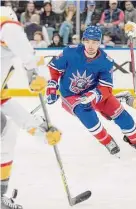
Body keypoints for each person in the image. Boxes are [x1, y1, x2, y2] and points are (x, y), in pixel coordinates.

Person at [46, 25, 136, 158]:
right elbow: (54, 68)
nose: (90, 45)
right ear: (83, 41)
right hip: (71, 95)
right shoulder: (70, 52)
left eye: (94, 42)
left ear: (99, 42)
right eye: (87, 41)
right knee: (85, 111)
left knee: (120, 113)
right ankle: (107, 141)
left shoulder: (106, 61)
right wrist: (52, 84)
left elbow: (106, 87)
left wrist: (93, 94)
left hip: (95, 93)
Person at [0, 7, 61, 209]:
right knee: (6, 133)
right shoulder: (6, 23)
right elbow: (8, 27)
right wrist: (32, 69)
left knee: (7, 133)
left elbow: (6, 104)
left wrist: (39, 130)